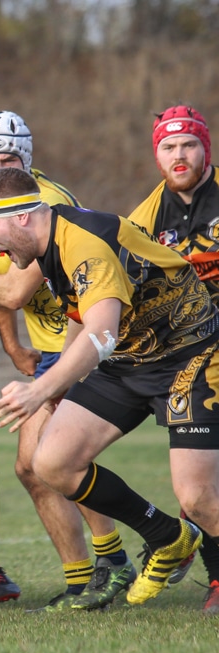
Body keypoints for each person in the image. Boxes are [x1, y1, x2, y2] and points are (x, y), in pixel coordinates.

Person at [0, 166, 213, 609]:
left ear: (23, 218)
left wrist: (40, 388)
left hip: (189, 357)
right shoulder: (48, 244)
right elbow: (81, 318)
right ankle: (168, 536)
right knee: (50, 462)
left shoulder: (85, 243)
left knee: (199, 497)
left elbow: (102, 332)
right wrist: (60, 387)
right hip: (130, 362)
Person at [0, 111, 131, 611]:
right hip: (44, 347)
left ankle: (111, 564)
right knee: (33, 468)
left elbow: (8, 288)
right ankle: (84, 576)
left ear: (26, 161)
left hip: (78, 338)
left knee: (50, 460)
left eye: (8, 159)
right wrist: (11, 344)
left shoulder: (44, 204)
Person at [127, 104, 219, 612]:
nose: (179, 155)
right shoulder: (143, 219)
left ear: (206, 148)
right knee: (197, 491)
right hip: (192, 358)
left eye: (189, 144)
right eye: (168, 146)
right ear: (157, 154)